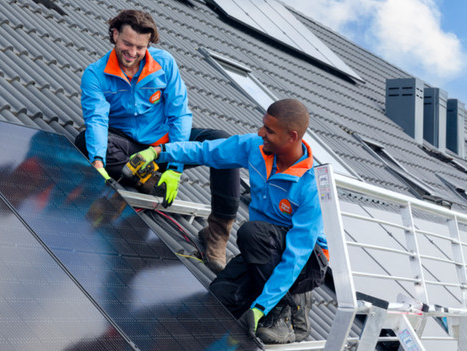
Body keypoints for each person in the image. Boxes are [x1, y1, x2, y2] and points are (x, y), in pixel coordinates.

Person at [132, 99, 329, 344]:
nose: (261, 133)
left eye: (269, 130)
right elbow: (207, 151)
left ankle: (286, 311)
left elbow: (297, 254)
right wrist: (160, 152)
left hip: (306, 261)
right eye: (262, 126)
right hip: (262, 251)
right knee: (214, 305)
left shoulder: (311, 186)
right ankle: (271, 298)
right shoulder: (256, 148)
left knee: (251, 232)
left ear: (292, 136)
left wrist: (262, 307)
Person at [74, 9, 240, 273]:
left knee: (226, 146)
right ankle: (148, 180)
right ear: (115, 35)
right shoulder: (95, 76)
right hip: (130, 149)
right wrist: (98, 162)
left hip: (166, 147)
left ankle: (216, 234)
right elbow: (97, 120)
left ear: (148, 44)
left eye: (140, 47)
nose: (132, 52)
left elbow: (180, 114)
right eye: (127, 44)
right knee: (86, 141)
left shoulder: (164, 63)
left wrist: (174, 164)